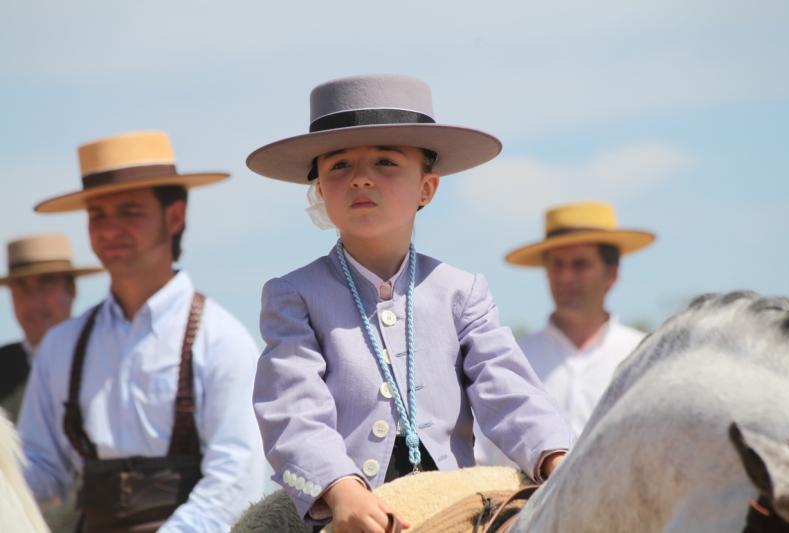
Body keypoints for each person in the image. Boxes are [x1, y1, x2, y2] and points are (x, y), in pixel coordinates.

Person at [248, 74, 573, 532]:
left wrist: (555, 456)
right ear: (320, 188)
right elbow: (291, 411)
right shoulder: (293, 295)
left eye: (385, 162)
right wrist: (341, 490)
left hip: (456, 505)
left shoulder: (462, 292)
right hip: (346, 513)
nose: (361, 177)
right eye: (339, 166)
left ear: (427, 189)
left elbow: (509, 392)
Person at [18, 131, 266, 532]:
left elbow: (236, 476)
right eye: (97, 215)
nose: (110, 229)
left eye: (129, 212)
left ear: (175, 217)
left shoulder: (221, 340)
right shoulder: (60, 348)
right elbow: (42, 469)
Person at [475, 202, 655, 466]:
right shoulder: (508, 360)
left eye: (580, 265)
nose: (565, 276)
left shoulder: (645, 357)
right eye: (556, 265)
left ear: (612, 273)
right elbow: (476, 456)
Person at [0, 233, 101, 421]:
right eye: (21, 287)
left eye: (46, 283)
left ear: (71, 289)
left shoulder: (104, 357)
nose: (34, 301)